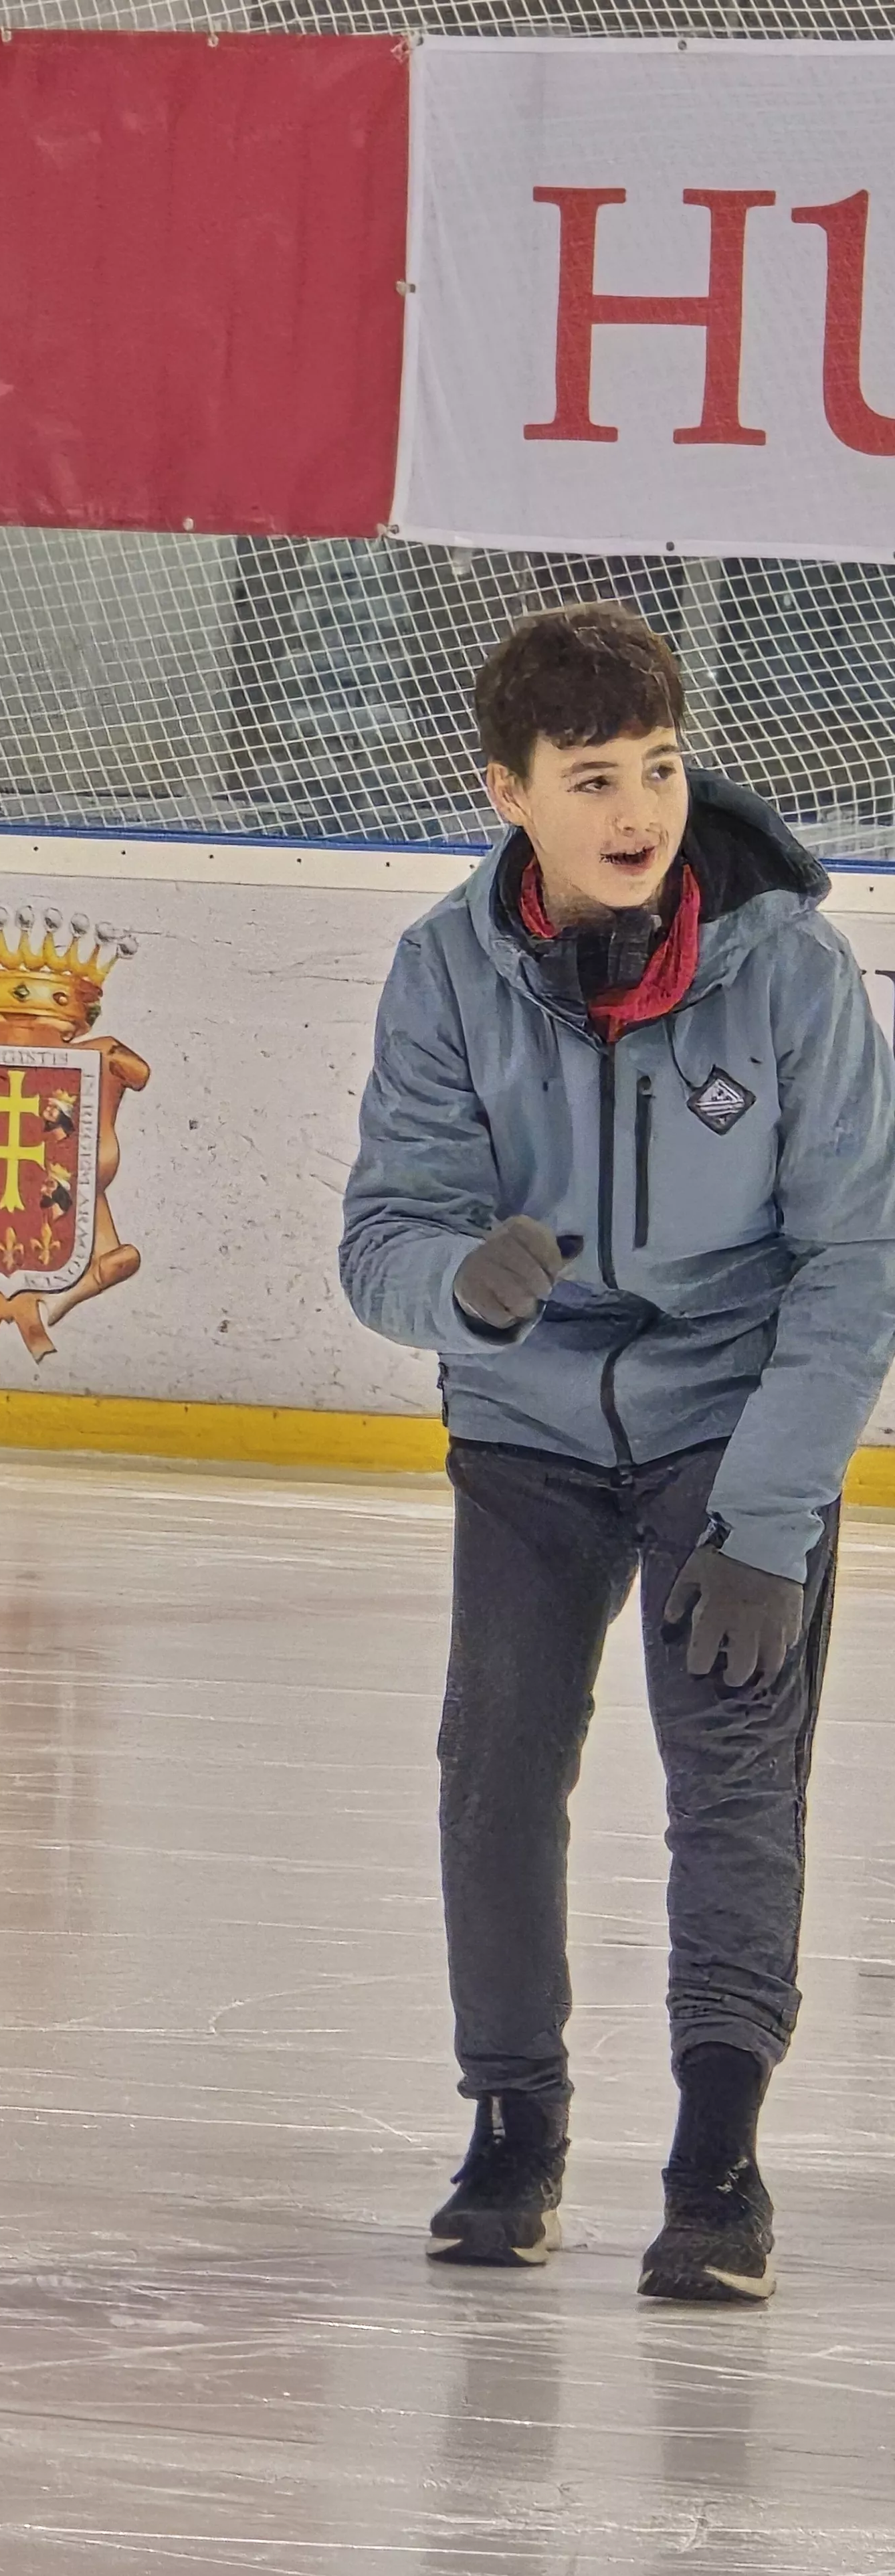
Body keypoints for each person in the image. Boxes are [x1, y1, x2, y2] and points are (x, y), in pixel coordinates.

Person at [341, 602, 895, 2304]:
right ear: (507, 790)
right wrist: (462, 1283)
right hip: (523, 1439)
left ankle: (718, 2154)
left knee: (735, 1776)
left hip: (733, 1433)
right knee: (496, 1770)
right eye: (592, 778)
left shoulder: (790, 968)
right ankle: (516, 2119)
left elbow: (858, 1253)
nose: (638, 807)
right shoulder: (446, 971)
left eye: (657, 765)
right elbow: (383, 1239)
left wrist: (774, 1510)